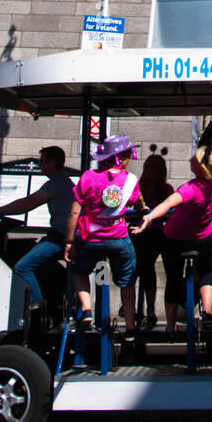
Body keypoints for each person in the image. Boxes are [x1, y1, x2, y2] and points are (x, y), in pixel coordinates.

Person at [131, 146, 212, 333]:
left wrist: (149, 217)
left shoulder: (191, 188)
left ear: (201, 167)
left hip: (175, 238)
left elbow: (167, 204)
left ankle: (170, 326)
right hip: (202, 238)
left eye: (194, 157)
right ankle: (208, 312)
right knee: (207, 272)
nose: (189, 159)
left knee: (173, 278)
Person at [63, 134, 140, 339]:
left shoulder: (88, 177)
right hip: (118, 239)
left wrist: (69, 241)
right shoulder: (131, 181)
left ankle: (87, 308)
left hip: (90, 240)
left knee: (79, 271)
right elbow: (136, 201)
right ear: (122, 157)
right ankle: (130, 326)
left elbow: (73, 213)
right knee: (127, 279)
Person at [0, 145, 73, 303]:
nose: (39, 165)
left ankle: (36, 307)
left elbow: (27, 204)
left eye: (42, 162)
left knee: (23, 266)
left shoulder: (56, 182)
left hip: (61, 237)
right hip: (61, 235)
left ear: (51, 163)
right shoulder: (64, 181)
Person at [132, 148, 174, 328]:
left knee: (147, 267)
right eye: (148, 166)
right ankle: (133, 306)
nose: (149, 170)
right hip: (137, 231)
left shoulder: (165, 189)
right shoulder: (137, 185)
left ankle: (149, 308)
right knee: (134, 268)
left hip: (156, 232)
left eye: (154, 167)